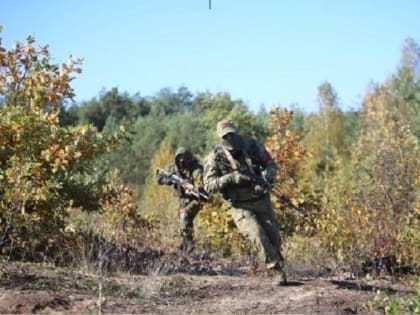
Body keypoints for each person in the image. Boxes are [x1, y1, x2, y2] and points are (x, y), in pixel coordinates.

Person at [203, 119, 287, 285]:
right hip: (239, 205)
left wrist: (265, 178)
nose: (230, 138)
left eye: (232, 134)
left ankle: (279, 266)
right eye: (226, 136)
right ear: (220, 137)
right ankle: (276, 271)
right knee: (258, 236)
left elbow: (271, 165)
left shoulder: (252, 146)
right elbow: (208, 185)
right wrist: (231, 179)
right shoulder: (214, 157)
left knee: (274, 237)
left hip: (261, 199)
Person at [156, 147, 207, 252]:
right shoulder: (173, 169)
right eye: (179, 159)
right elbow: (158, 177)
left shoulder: (196, 169)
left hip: (197, 199)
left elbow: (200, 184)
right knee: (184, 220)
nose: (181, 161)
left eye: (184, 159)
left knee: (184, 215)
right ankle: (185, 242)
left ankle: (189, 243)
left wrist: (194, 188)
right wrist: (169, 180)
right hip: (183, 200)